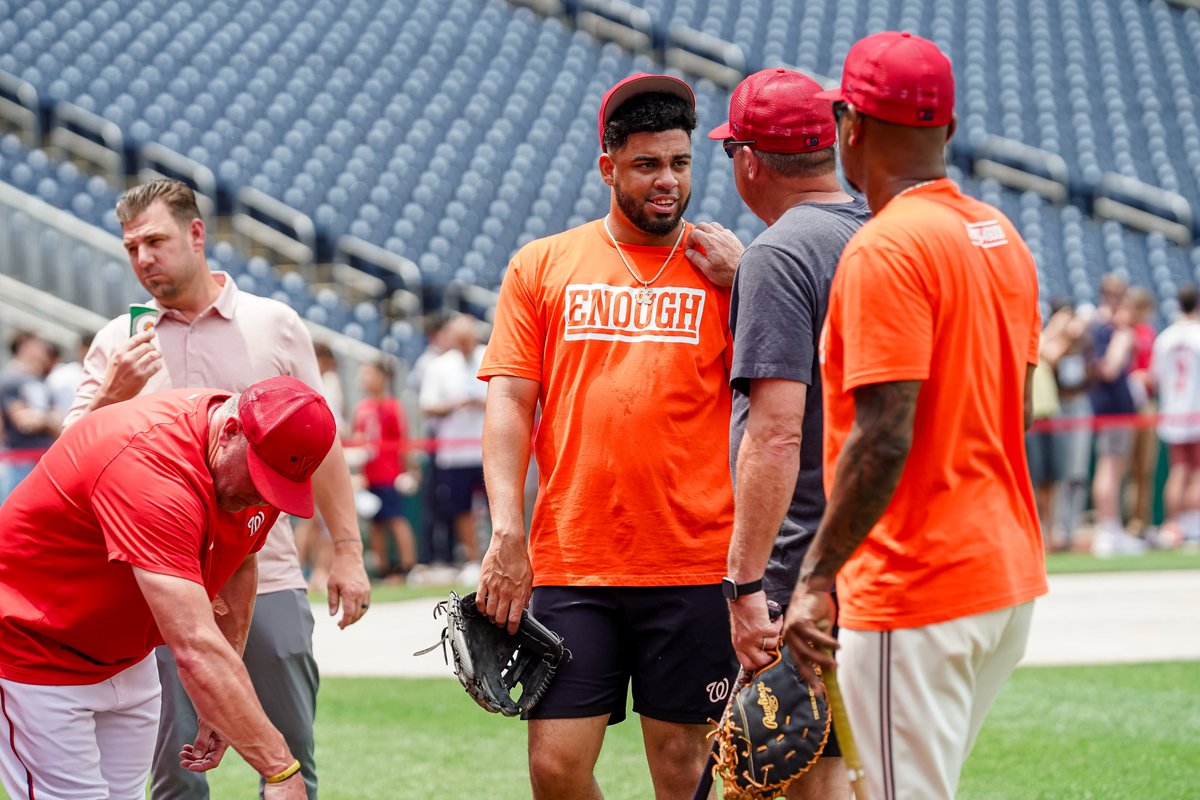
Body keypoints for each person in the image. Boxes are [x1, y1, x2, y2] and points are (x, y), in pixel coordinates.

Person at [782, 32, 1048, 800]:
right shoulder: (1000, 236)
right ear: (950, 132)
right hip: (1002, 580)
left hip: (917, 583)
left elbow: (884, 433)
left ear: (850, 127)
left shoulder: (886, 247)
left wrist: (816, 578)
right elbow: (1017, 412)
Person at [65, 179, 371, 800]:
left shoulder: (274, 324)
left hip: (272, 570)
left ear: (196, 234)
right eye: (131, 247)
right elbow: (67, 458)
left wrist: (347, 549)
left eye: (155, 240)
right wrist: (114, 392)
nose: (143, 258)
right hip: (158, 587)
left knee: (288, 761)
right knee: (175, 774)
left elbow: (324, 444)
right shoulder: (116, 341)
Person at [475, 73, 737, 799]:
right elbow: (508, 404)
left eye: (680, 164)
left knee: (684, 773)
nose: (667, 181)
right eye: (647, 164)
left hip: (693, 561)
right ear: (608, 167)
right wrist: (506, 531)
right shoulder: (543, 264)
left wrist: (750, 283)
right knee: (555, 768)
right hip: (572, 557)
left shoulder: (725, 270)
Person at [0, 376, 334, 800]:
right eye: (260, 476)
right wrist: (280, 769)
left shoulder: (245, 467)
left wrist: (225, 698)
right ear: (230, 432)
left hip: (127, 656)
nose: (261, 497)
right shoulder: (152, 469)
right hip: (40, 652)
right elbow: (193, 644)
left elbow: (241, 561)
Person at [704, 67, 869, 798]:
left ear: (747, 159)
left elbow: (775, 437)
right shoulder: (876, 229)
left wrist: (747, 585)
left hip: (803, 569)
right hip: (879, 555)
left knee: (802, 779)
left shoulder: (779, 256)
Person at [419, 313, 487, 576]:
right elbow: (427, 405)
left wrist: (482, 404)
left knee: (497, 505)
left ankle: (497, 556)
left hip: (486, 448)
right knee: (461, 508)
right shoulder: (439, 365)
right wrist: (453, 405)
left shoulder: (489, 355)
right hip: (454, 453)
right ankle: (472, 558)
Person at [1087, 276, 1146, 556]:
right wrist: (1124, 339)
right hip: (1113, 407)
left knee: (1111, 468)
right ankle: (1109, 529)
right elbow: (1109, 368)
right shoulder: (1109, 329)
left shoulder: (1098, 325)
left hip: (1107, 406)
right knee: (1110, 469)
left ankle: (1111, 528)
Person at [351, 359, 418, 581]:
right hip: (370, 475)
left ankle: (407, 566)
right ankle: (382, 569)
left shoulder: (392, 406)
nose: (364, 379)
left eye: (369, 373)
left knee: (396, 519)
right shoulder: (362, 408)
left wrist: (410, 470)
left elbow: (403, 441)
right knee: (376, 524)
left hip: (389, 473)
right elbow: (358, 441)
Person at [1150, 284, 1200, 547]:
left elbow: (1154, 378)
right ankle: (1192, 525)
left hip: (1173, 411)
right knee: (1196, 472)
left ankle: (1172, 526)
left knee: (1178, 470)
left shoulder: (1165, 337)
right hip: (1195, 411)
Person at [0, 331, 59, 502]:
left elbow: (57, 418)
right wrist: (48, 421)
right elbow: (24, 421)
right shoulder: (10, 378)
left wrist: (43, 420)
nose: (44, 349)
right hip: (21, 460)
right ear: (25, 346)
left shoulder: (40, 378)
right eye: (38, 344)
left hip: (43, 457)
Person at [1124, 286, 1158, 535]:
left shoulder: (1148, 333)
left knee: (1145, 469)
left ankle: (1142, 521)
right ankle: (1128, 523)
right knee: (1126, 468)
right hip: (1125, 408)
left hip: (1146, 404)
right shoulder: (1123, 333)